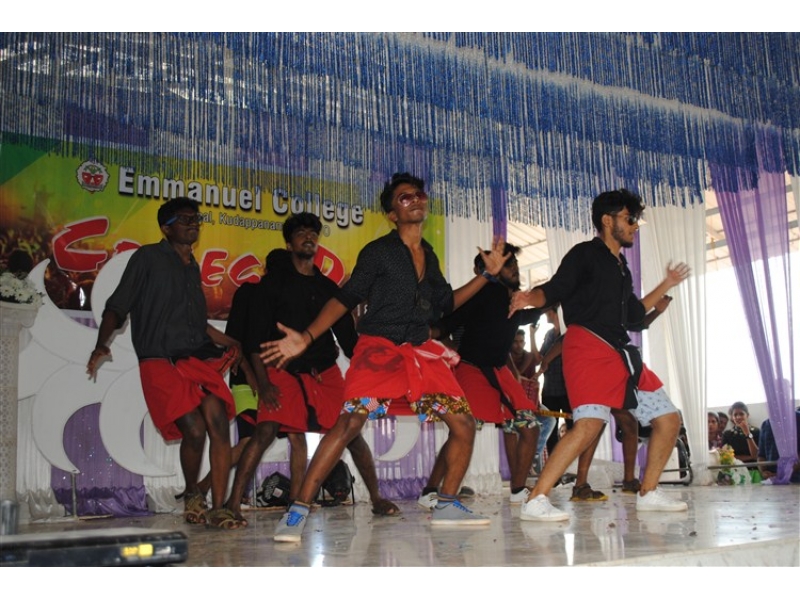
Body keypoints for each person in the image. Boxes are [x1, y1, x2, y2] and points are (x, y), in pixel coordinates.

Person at [261, 172, 508, 541]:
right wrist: (307, 336)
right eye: (405, 197)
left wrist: (486, 276)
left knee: (463, 423)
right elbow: (346, 297)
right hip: (379, 349)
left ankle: (446, 503)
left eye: (419, 194)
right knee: (349, 424)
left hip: (419, 353)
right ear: (393, 214)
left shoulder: (430, 255)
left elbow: (446, 304)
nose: (416, 200)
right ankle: (297, 511)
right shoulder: (378, 252)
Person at [510, 188, 691, 520]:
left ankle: (649, 492)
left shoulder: (621, 267)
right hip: (588, 347)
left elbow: (634, 315)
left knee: (668, 419)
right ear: (608, 221)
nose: (635, 226)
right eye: (629, 218)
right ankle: (536, 499)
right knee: (588, 425)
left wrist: (666, 284)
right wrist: (529, 298)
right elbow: (556, 288)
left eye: (636, 220)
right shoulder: (585, 254)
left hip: (620, 352)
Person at [222, 213, 398, 524]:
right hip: (281, 368)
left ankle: (376, 498)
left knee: (351, 432)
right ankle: (232, 504)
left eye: (313, 233)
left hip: (324, 372)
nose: (308, 237)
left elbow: (349, 341)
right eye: (301, 232)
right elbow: (254, 341)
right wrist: (263, 384)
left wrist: (373, 368)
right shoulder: (271, 285)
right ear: (289, 244)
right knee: (265, 430)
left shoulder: (329, 288)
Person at [86, 197, 246, 529]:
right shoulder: (147, 257)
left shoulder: (192, 266)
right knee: (194, 430)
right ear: (166, 227)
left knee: (218, 422)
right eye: (184, 219)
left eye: (196, 219)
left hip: (197, 356)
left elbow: (197, 323)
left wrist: (230, 341)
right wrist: (101, 343)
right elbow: (118, 306)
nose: (193, 223)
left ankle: (219, 508)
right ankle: (193, 493)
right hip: (159, 359)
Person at [419, 245, 542, 507]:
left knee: (530, 427)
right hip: (471, 370)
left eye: (514, 263)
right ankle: (430, 491)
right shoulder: (485, 292)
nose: (514, 268)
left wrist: (552, 298)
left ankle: (518, 489)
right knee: (461, 432)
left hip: (499, 372)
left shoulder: (514, 299)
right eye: (507, 264)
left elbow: (525, 315)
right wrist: (426, 333)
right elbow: (450, 321)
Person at [757, 407, 800, 482]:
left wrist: (784, 473)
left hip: (796, 479)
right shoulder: (766, 424)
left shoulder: (797, 419)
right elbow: (761, 455)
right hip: (772, 480)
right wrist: (764, 472)